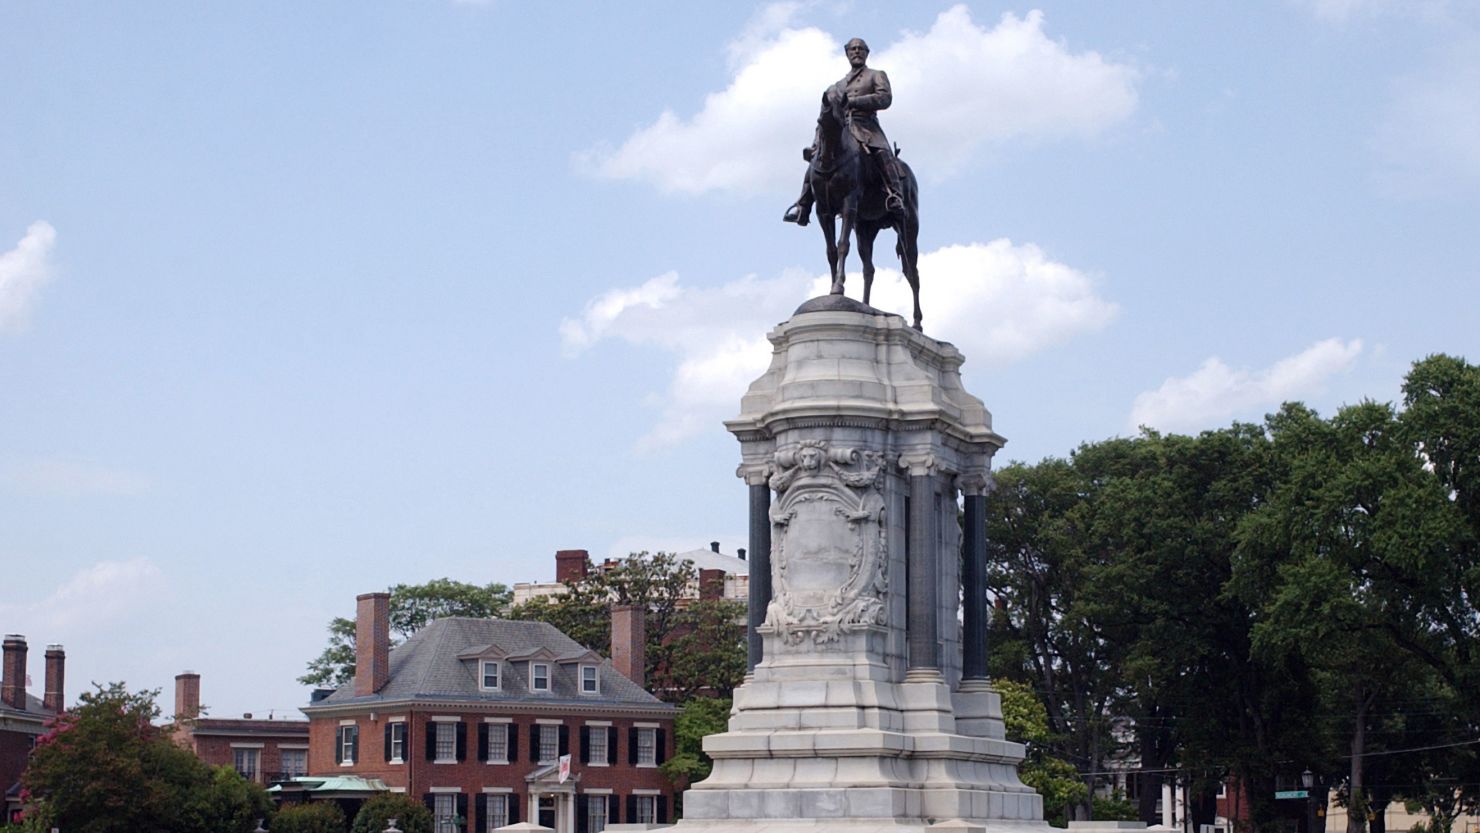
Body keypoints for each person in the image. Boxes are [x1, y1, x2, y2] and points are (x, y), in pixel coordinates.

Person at [783, 37, 907, 226]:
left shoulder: (876, 75)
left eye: (860, 49)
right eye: (853, 49)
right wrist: (816, 145)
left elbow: (885, 98)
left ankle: (895, 195)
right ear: (847, 53)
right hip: (843, 129)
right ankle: (803, 206)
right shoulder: (837, 87)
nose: (856, 51)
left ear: (867, 53)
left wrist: (855, 102)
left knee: (883, 154)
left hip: (867, 127)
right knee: (815, 164)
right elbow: (823, 119)